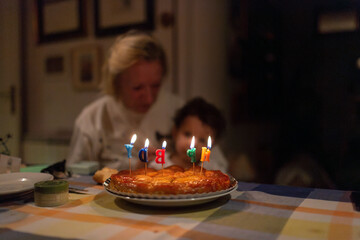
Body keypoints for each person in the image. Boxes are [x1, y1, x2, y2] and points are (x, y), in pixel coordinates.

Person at [67, 30, 183, 170]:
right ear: (116, 83)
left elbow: (213, 163)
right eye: (137, 88)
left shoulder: (178, 110)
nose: (149, 98)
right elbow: (74, 174)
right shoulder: (93, 118)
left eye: (155, 85)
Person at [149, 97, 229, 173]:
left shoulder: (212, 168)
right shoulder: (159, 163)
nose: (193, 144)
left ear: (212, 145)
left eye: (202, 140)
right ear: (175, 132)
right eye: (187, 134)